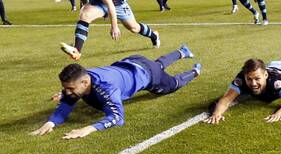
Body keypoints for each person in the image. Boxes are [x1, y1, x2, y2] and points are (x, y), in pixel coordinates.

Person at [32, 45, 201, 139]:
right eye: (65, 88)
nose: (67, 92)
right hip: (132, 62)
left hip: (149, 75)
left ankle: (195, 72)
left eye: (70, 89)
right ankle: (182, 51)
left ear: (84, 82)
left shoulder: (106, 89)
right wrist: (51, 122)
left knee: (172, 84)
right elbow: (67, 103)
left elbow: (117, 118)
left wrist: (88, 129)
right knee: (157, 63)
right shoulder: (83, 77)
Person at [205, 34, 281, 124]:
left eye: (257, 79)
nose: (253, 83)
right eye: (249, 79)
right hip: (275, 66)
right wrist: (217, 113)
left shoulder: (277, 82)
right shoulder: (242, 78)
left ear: (265, 75)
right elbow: (226, 99)